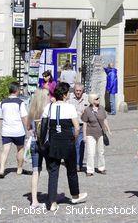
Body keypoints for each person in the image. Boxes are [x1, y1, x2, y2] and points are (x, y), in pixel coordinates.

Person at [40, 82, 87, 210]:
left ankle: (52, 203)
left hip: (53, 143)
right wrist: (74, 138)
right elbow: (77, 128)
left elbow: (43, 126)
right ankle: (75, 195)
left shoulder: (48, 107)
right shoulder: (70, 107)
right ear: (65, 95)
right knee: (71, 170)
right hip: (67, 143)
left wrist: (41, 142)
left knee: (53, 172)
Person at [0, 81, 29, 178]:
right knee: (20, 149)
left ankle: (1, 170)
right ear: (17, 91)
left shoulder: (3, 102)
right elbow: (24, 117)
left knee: (5, 150)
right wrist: (28, 127)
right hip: (18, 131)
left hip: (6, 131)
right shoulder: (20, 103)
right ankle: (19, 169)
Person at [26, 88, 50, 208]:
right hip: (45, 143)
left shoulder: (33, 111)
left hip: (34, 142)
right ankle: (52, 197)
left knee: (36, 171)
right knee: (52, 170)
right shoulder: (47, 110)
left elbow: (28, 127)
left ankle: (34, 200)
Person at [81, 94, 111, 176]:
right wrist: (84, 136)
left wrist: (108, 129)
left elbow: (104, 120)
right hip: (90, 133)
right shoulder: (87, 110)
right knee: (91, 153)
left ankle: (101, 168)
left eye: (98, 98)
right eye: (96, 98)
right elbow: (84, 123)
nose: (98, 99)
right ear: (92, 100)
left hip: (101, 133)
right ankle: (90, 170)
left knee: (101, 152)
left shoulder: (101, 108)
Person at [70, 84, 89, 171]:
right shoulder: (70, 97)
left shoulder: (87, 98)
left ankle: (78, 163)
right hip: (72, 125)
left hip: (83, 125)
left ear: (82, 91)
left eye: (80, 91)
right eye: (76, 90)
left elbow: (91, 109)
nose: (78, 92)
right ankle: (74, 162)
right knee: (74, 145)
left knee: (80, 145)